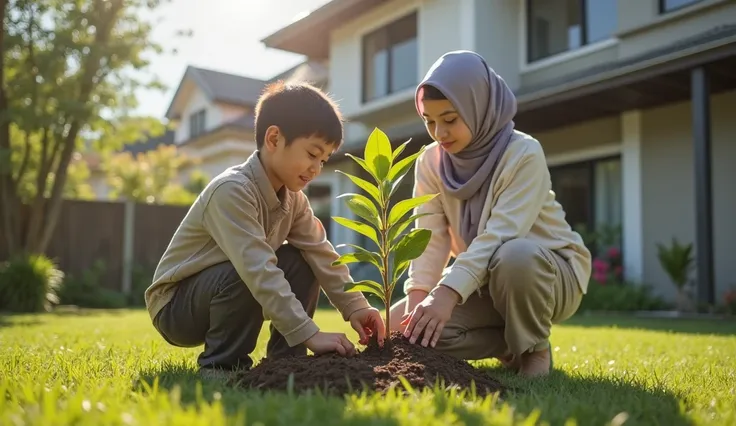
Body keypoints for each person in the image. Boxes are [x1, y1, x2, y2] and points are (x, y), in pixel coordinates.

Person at [145, 81, 386, 381]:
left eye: (323, 160)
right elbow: (257, 267)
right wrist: (310, 333)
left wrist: (357, 308)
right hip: (177, 307)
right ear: (274, 138)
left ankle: (287, 363)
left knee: (303, 258)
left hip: (227, 287)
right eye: (312, 154)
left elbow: (323, 255)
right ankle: (222, 367)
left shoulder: (295, 200)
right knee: (244, 268)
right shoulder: (231, 191)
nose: (317, 168)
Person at [390, 50, 592, 377]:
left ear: (478, 106)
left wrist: (447, 293)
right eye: (429, 121)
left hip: (548, 274)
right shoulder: (430, 161)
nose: (440, 133)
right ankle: (511, 344)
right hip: (482, 278)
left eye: (450, 119)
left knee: (515, 255)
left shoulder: (523, 153)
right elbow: (429, 237)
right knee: (406, 331)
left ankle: (535, 348)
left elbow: (501, 235)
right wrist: (418, 299)